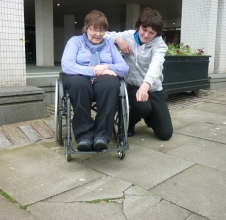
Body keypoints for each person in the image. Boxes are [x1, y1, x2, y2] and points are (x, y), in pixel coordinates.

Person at [61, 10, 129, 152]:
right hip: (79, 77)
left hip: (103, 80)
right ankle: (84, 136)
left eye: (102, 30)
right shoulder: (75, 41)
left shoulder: (109, 45)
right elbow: (67, 65)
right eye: (94, 29)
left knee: (110, 84)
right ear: (86, 27)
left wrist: (106, 66)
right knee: (78, 85)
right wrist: (94, 70)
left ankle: (102, 136)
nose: (99, 34)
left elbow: (124, 67)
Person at [104, 7, 173, 141]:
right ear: (138, 26)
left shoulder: (160, 45)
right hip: (132, 85)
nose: (146, 35)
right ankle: (128, 125)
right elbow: (105, 34)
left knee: (165, 134)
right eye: (144, 29)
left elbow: (156, 65)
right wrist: (119, 40)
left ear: (157, 33)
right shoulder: (128, 35)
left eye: (151, 33)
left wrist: (146, 86)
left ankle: (149, 116)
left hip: (152, 88)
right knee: (143, 106)